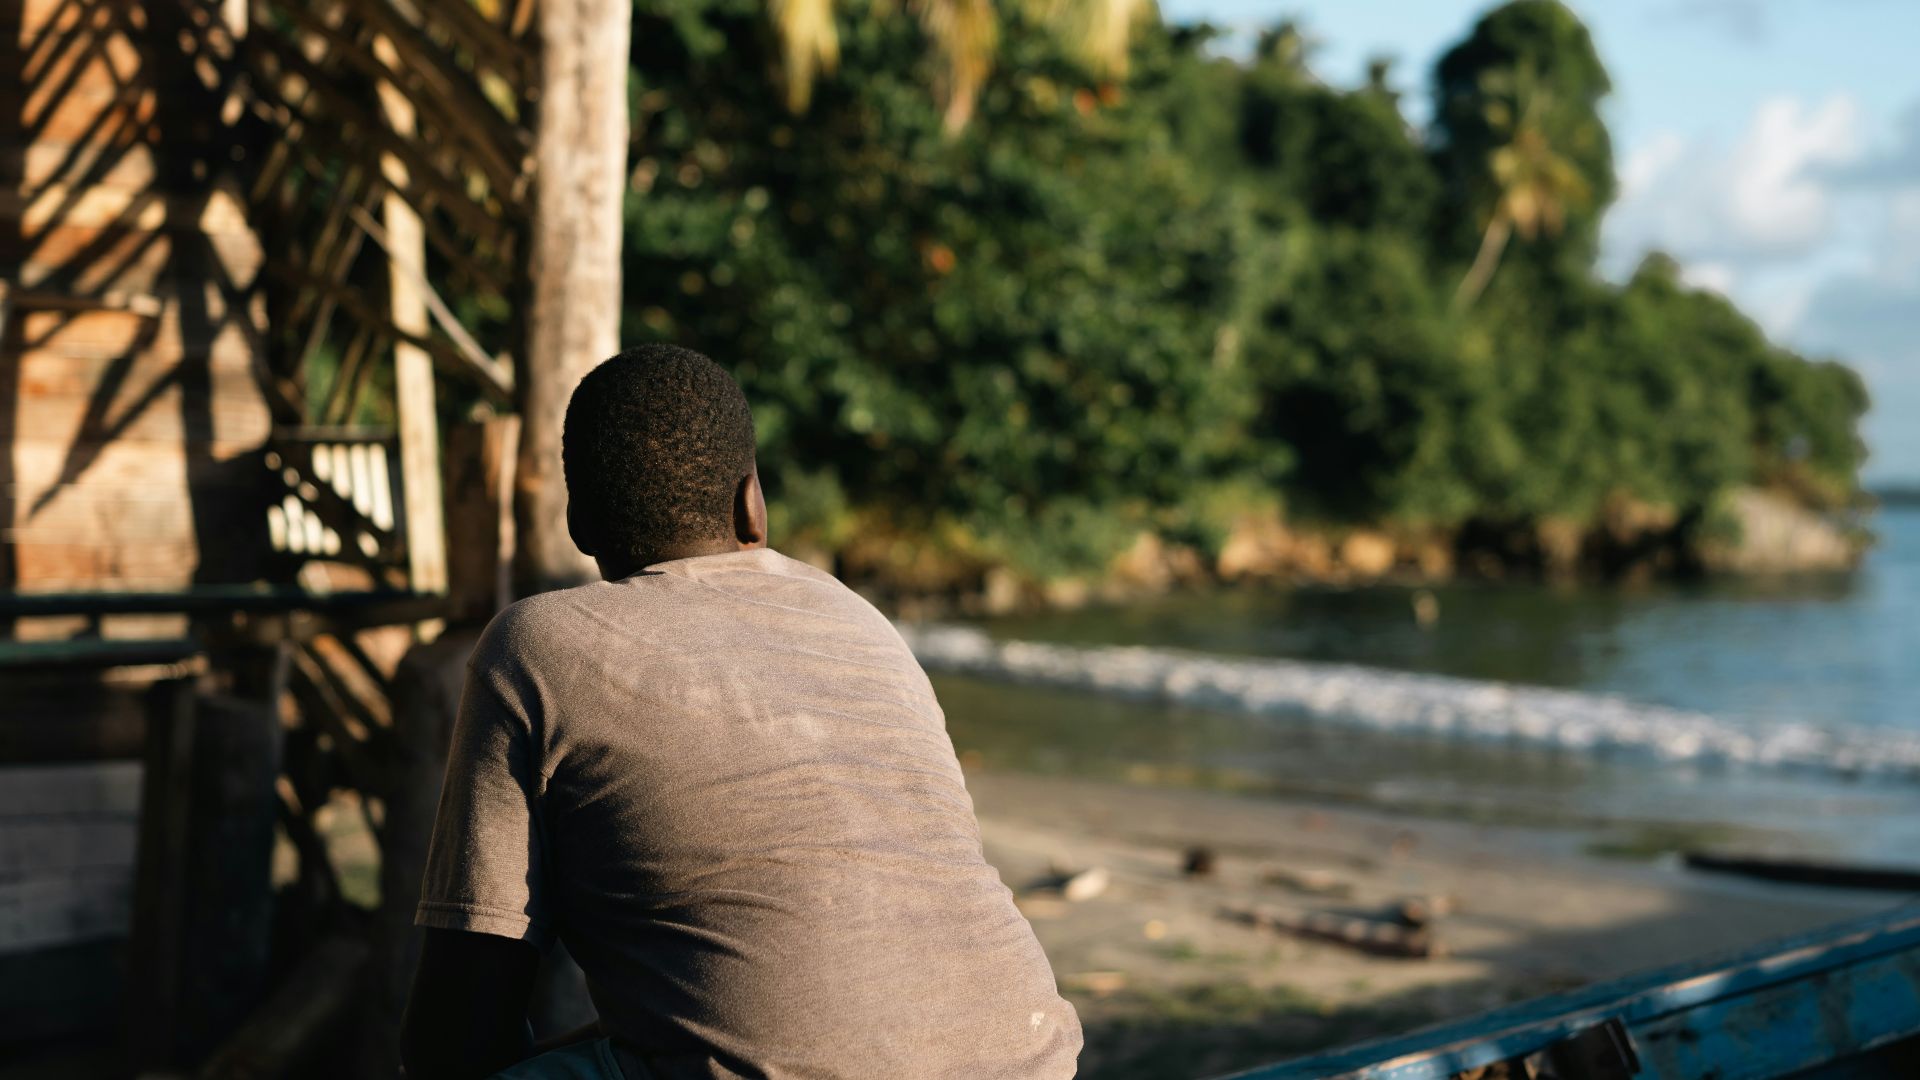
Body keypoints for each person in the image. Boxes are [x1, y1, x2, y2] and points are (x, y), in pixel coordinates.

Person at [400, 345, 1078, 1079]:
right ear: (751, 504)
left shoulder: (535, 643)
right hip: (1033, 1059)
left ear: (580, 527)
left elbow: (459, 1022)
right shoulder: (859, 621)